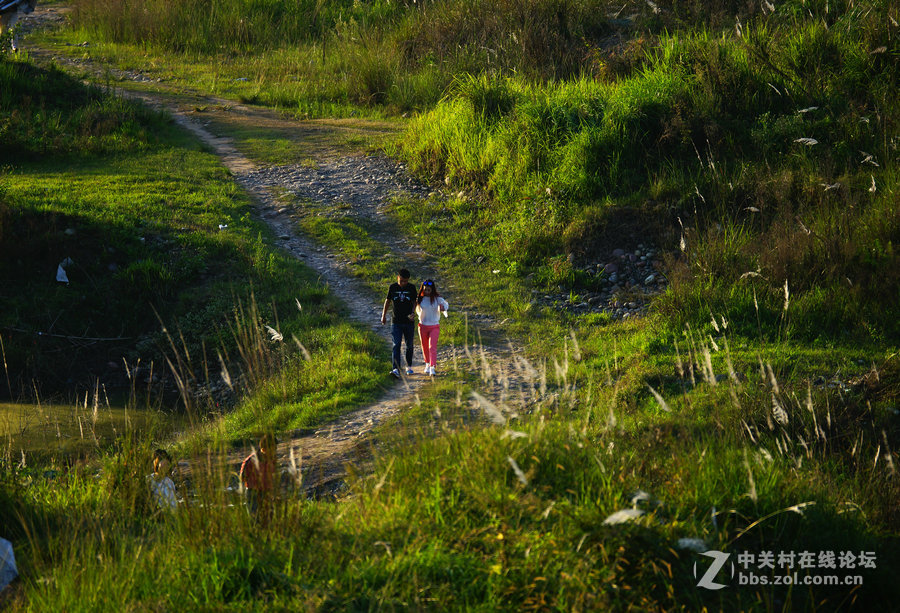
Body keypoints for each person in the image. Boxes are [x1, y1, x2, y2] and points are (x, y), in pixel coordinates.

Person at [381, 268, 418, 377]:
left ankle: (409, 366)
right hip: (395, 321)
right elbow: (387, 301)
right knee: (396, 344)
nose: (403, 283)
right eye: (401, 281)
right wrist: (383, 315)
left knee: (409, 345)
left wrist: (413, 313)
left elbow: (414, 302)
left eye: (405, 281)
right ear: (398, 278)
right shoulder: (392, 287)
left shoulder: (411, 288)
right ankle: (395, 369)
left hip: (408, 322)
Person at [415, 279, 449, 376]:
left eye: (429, 290)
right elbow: (413, 307)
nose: (427, 292)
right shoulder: (419, 299)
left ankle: (432, 367)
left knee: (432, 347)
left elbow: (446, 305)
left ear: (432, 290)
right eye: (425, 290)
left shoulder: (437, 299)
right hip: (422, 326)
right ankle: (427, 364)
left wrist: (443, 308)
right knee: (424, 346)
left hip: (434, 326)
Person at [239, 433, 277, 520]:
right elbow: (242, 477)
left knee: (269, 519)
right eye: (272, 449)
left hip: (267, 492)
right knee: (256, 519)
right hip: (253, 494)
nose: (274, 452)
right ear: (263, 449)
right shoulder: (250, 461)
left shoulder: (272, 459)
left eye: (275, 449)